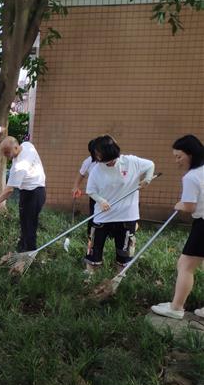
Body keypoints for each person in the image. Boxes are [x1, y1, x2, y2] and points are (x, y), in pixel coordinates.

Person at [84, 135, 155, 273]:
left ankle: (120, 275)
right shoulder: (97, 170)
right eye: (99, 157)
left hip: (126, 215)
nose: (107, 163)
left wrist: (147, 179)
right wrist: (101, 200)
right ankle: (91, 272)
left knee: (125, 248)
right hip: (103, 215)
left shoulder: (131, 162)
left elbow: (150, 165)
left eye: (109, 160)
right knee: (94, 245)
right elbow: (91, 191)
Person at [151, 135, 204, 319]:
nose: (177, 161)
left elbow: (189, 207)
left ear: (191, 154)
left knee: (185, 265)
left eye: (179, 156)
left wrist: (179, 204)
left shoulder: (191, 177)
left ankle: (176, 308)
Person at [0, 137, 46, 252]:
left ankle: (29, 252)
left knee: (29, 224)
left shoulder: (19, 166)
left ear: (15, 147)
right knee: (24, 222)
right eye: (4, 153)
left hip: (34, 193)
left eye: (7, 152)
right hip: (30, 191)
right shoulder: (27, 145)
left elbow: (9, 190)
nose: (6, 156)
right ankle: (22, 247)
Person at [72, 139, 98, 233]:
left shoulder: (108, 161)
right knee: (93, 215)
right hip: (94, 194)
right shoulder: (89, 161)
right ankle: (90, 236)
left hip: (109, 194)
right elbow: (81, 174)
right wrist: (76, 187)